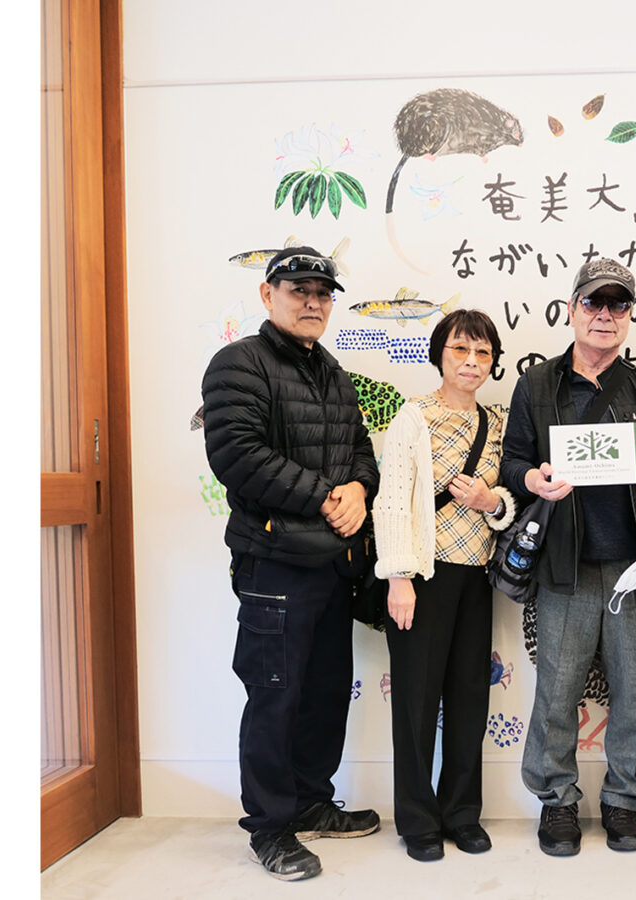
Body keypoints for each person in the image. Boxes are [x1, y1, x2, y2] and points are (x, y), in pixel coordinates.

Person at [201, 245, 381, 882]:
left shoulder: (333, 371)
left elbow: (362, 451)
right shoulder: (238, 363)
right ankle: (270, 828)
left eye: (322, 292)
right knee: (274, 697)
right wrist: (327, 497)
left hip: (333, 566)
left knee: (325, 693)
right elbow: (238, 455)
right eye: (298, 289)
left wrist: (359, 488)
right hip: (274, 564)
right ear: (267, 294)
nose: (312, 302)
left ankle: (310, 803)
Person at [500, 257, 636, 856]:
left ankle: (623, 800)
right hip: (565, 563)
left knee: (633, 691)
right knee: (558, 691)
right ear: (572, 308)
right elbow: (511, 462)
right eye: (593, 302)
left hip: (634, 566)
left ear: (629, 315)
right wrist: (534, 479)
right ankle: (557, 801)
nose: (605, 314)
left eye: (618, 304)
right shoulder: (536, 384)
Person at [371, 309, 516, 862]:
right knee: (415, 701)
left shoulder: (497, 422)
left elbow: (509, 498)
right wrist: (399, 577)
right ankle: (417, 819)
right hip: (422, 578)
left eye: (482, 352)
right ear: (440, 354)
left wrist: (491, 501)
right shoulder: (414, 416)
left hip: (476, 576)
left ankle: (461, 813)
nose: (471, 361)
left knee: (468, 699)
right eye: (460, 349)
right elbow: (391, 499)